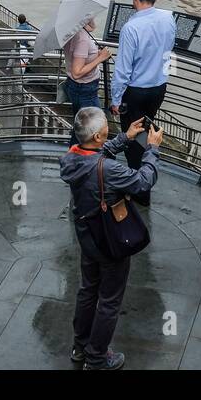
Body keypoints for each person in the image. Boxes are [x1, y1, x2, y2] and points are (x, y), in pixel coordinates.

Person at [59, 107, 162, 370]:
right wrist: (152, 150)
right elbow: (142, 182)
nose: (108, 124)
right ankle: (97, 357)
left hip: (87, 237)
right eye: (105, 125)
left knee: (87, 291)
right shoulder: (111, 170)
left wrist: (125, 137)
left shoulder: (72, 157)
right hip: (109, 241)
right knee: (109, 300)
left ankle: (80, 348)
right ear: (97, 136)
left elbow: (97, 157)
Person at [109, 0, 176, 205]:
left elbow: (123, 69)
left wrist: (116, 99)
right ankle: (144, 176)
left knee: (132, 138)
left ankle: (139, 188)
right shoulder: (169, 18)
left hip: (135, 91)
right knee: (146, 132)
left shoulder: (130, 28)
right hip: (159, 88)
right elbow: (169, 51)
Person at [63, 15, 111, 117]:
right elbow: (77, 73)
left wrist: (89, 17)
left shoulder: (71, 31)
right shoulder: (82, 38)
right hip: (85, 89)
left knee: (81, 124)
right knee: (93, 126)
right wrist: (100, 58)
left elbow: (91, 27)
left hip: (74, 86)